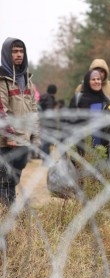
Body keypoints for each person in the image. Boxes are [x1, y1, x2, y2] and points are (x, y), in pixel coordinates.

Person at [0, 38, 39, 206]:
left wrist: (35, 135)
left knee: (13, 180)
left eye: (21, 51)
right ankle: (6, 218)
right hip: (6, 142)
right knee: (5, 181)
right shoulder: (2, 79)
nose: (18, 55)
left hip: (23, 139)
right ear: (8, 54)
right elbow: (2, 109)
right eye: (15, 51)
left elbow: (33, 109)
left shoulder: (27, 79)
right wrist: (9, 135)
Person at [69, 69, 110, 157]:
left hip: (103, 152)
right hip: (81, 152)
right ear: (87, 82)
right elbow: (69, 124)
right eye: (93, 79)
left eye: (98, 79)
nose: (97, 81)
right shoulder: (78, 100)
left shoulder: (107, 101)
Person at [38, 84, 58, 161]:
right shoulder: (50, 99)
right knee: (47, 141)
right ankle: (45, 158)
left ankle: (45, 156)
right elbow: (50, 113)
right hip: (48, 124)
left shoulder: (42, 97)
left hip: (42, 122)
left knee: (44, 140)